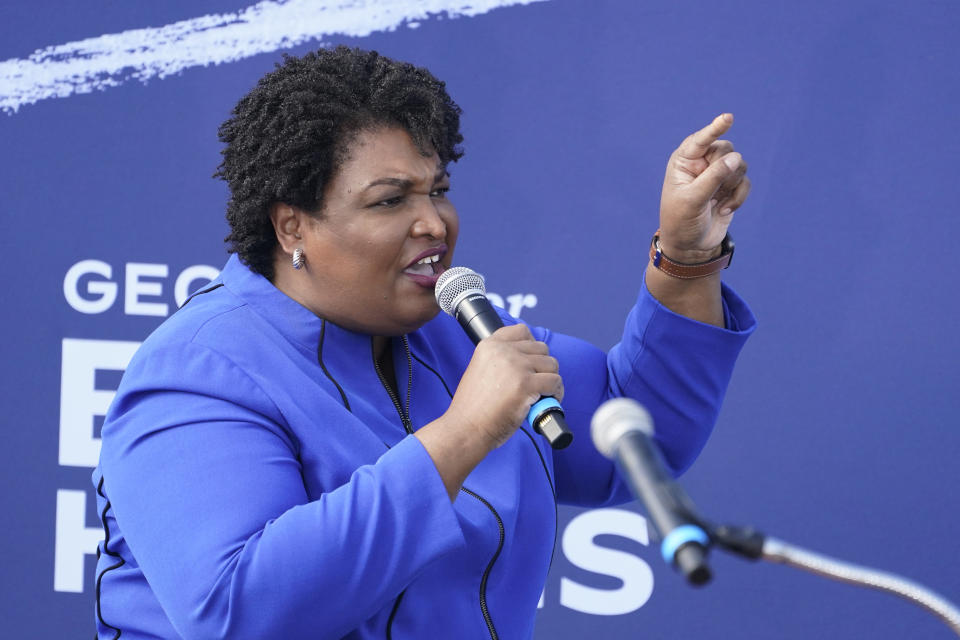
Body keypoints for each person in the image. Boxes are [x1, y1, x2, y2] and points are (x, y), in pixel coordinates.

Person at [93, 46, 755, 639]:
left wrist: (688, 256)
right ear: (292, 226)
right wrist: (462, 434)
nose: (434, 222)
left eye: (438, 190)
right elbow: (238, 613)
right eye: (391, 200)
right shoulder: (198, 370)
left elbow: (636, 442)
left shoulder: (459, 334)